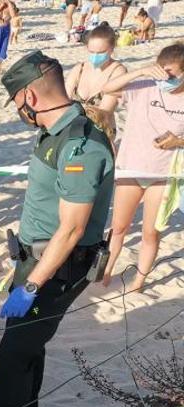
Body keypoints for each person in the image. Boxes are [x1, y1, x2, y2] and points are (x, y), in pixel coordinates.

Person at [0, 51, 114, 407]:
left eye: (16, 100)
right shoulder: (53, 133)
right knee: (25, 338)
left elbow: (71, 229)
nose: (18, 109)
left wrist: (32, 285)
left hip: (57, 267)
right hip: (35, 259)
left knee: (13, 353)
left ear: (30, 94)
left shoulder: (78, 145)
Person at [100, 43, 184, 291]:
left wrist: (178, 141)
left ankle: (139, 281)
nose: (164, 79)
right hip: (131, 169)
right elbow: (107, 88)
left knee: (150, 233)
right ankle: (105, 274)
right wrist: (141, 72)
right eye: (161, 72)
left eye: (171, 75)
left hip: (162, 175)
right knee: (118, 229)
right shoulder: (145, 87)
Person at [64, 24, 126, 146]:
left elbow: (104, 112)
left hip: (101, 133)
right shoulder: (79, 69)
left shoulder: (118, 71)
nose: (96, 56)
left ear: (112, 48)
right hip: (72, 131)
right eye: (92, 52)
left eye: (101, 52)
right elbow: (63, 100)